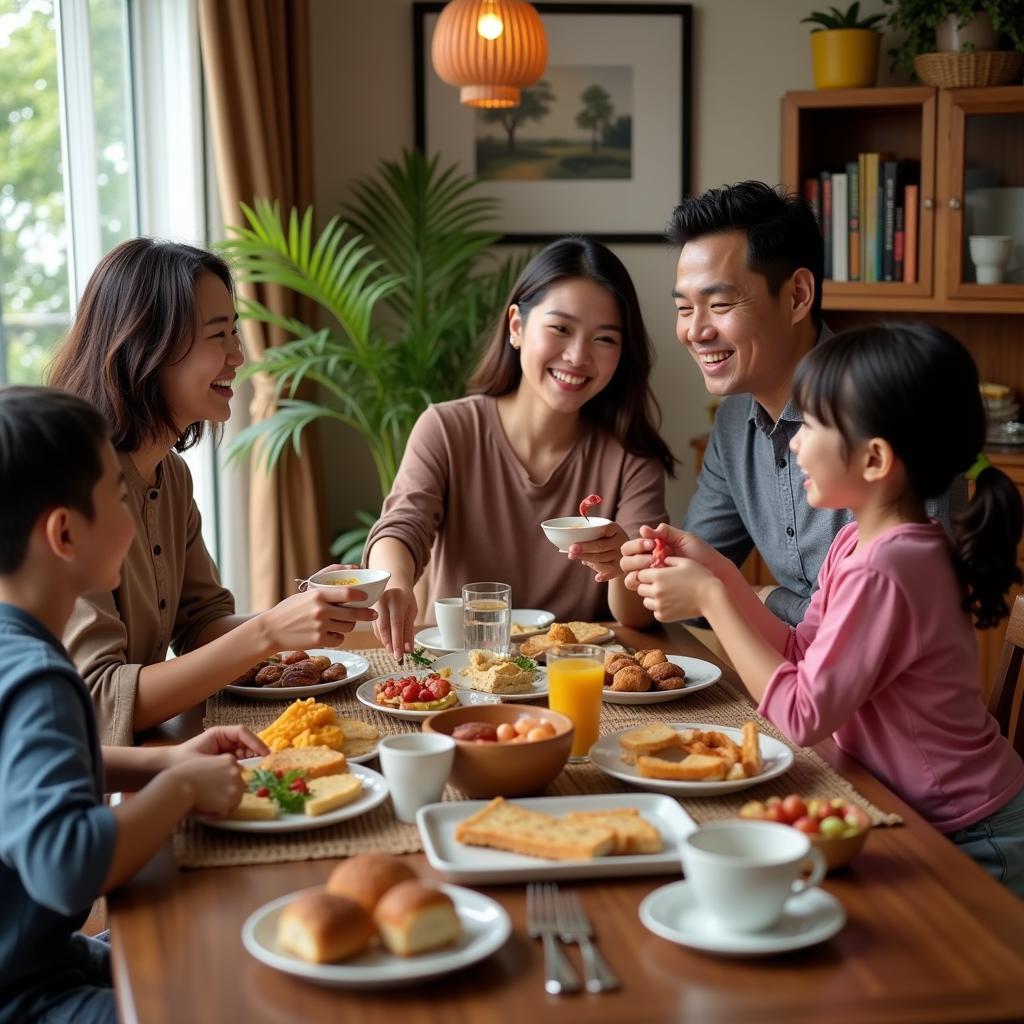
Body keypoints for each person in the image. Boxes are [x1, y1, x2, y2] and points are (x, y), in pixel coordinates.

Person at [623, 324, 1024, 896]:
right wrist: (722, 574)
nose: (792, 443)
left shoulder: (888, 568)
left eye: (811, 425)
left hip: (970, 835)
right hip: (908, 808)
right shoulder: (857, 542)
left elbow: (804, 715)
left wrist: (712, 599)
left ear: (875, 459)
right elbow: (799, 652)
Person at [0, 386, 270, 1023]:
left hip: (40, 954)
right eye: (118, 497)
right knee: (225, 1002)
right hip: (24, 994)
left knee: (215, 956)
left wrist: (161, 764)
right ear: (65, 534)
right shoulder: (41, 676)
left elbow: (31, 777)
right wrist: (178, 794)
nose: (135, 508)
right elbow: (67, 865)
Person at [48, 239, 376, 745]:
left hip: (152, 753)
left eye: (235, 333)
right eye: (219, 335)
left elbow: (199, 623)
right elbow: (101, 700)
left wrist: (299, 613)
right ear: (147, 344)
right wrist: (267, 632)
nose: (239, 356)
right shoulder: (70, 489)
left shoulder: (171, 475)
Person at [366, 237, 675, 660]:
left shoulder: (631, 456)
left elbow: (638, 619)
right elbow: (401, 528)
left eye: (605, 339)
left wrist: (620, 563)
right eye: (561, 328)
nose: (578, 355)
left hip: (573, 679)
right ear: (516, 326)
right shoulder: (447, 428)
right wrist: (395, 583)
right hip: (459, 671)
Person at [667, 181, 961, 625]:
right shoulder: (733, 423)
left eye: (720, 303)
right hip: (793, 673)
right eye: (685, 309)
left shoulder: (896, 407)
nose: (696, 331)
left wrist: (759, 596)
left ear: (798, 296)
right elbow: (688, 596)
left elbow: (903, 618)